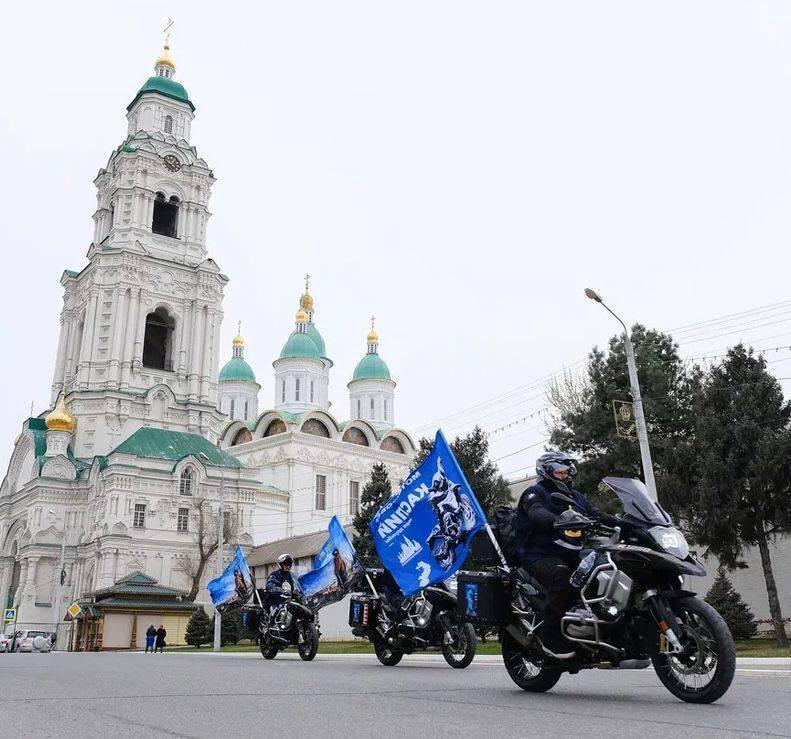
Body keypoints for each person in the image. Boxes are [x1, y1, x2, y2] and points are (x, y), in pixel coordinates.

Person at [516, 452, 611, 660]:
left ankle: (596, 629)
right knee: (562, 576)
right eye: (559, 471)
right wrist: (556, 519)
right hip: (539, 553)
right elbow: (536, 512)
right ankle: (551, 639)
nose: (565, 474)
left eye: (567, 470)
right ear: (546, 471)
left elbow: (597, 515)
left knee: (605, 570)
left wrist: (631, 524)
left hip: (572, 552)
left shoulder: (576, 497)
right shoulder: (534, 493)